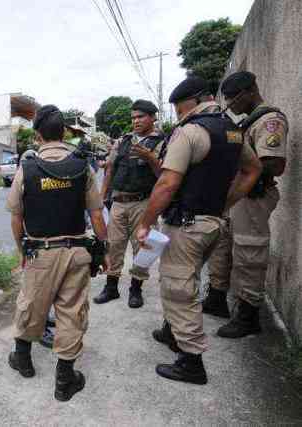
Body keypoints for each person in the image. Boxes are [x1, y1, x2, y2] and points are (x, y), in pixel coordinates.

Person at [136, 77, 262, 385]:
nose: (179, 115)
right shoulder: (232, 130)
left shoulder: (191, 130)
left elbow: (167, 183)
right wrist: (224, 204)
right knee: (181, 276)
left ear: (190, 103)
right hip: (213, 224)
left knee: (179, 288)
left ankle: (190, 362)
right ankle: (171, 331)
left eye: (179, 109)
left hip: (187, 225)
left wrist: (145, 223)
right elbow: (253, 169)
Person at [6, 104, 109, 401]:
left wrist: (22, 249)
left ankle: (23, 360)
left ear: (37, 134)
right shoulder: (82, 165)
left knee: (31, 305)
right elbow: (98, 215)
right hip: (77, 251)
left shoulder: (27, 167)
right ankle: (65, 380)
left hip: (40, 253)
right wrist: (105, 250)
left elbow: (16, 216)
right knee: (71, 312)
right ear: (64, 131)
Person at [204, 71, 288, 338]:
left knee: (249, 254)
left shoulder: (270, 121)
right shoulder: (247, 122)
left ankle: (249, 314)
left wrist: (242, 168)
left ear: (250, 91)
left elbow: (274, 163)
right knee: (222, 246)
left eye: (232, 99)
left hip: (253, 198)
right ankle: (217, 297)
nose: (230, 105)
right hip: (237, 196)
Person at [95, 100, 165, 308]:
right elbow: (109, 168)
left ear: (153, 117)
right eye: (133, 117)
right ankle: (111, 287)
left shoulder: (161, 142)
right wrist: (102, 195)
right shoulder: (123, 141)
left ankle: (136, 289)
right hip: (118, 202)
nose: (136, 121)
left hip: (143, 203)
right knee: (114, 245)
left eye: (141, 117)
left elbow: (164, 175)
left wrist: (150, 157)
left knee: (142, 247)